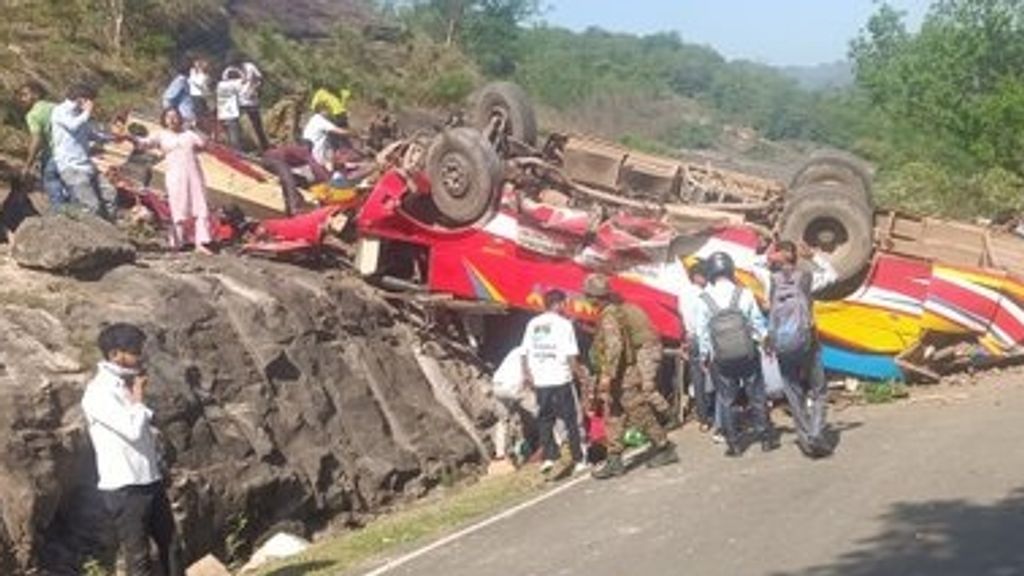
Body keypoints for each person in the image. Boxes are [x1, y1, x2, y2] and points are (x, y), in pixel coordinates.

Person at [81, 323, 183, 576]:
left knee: (172, 545)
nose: (140, 354)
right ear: (115, 354)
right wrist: (138, 396)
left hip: (150, 479)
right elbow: (132, 429)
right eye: (134, 349)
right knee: (138, 557)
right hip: (125, 487)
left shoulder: (125, 384)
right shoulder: (98, 392)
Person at [584, 273, 679, 479]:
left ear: (595, 297)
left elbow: (615, 346)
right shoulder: (612, 312)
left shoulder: (609, 315)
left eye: (587, 295)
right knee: (615, 417)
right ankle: (614, 458)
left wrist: (607, 375)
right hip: (621, 375)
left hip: (623, 376)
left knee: (639, 413)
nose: (586, 299)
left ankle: (664, 447)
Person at [696, 251, 779, 457]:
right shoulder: (744, 293)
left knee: (727, 399)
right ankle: (766, 438)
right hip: (747, 353)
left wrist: (705, 357)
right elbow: (757, 322)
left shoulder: (703, 299)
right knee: (757, 395)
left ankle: (733, 444)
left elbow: (702, 333)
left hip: (722, 359)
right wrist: (765, 341)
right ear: (731, 269)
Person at [765, 240, 835, 458]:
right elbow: (832, 275)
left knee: (793, 391)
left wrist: (769, 255)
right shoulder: (807, 278)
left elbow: (752, 264)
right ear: (797, 257)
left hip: (782, 344)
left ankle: (805, 438)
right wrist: (812, 257)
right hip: (807, 342)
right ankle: (815, 433)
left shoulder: (770, 281)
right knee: (819, 389)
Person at [521, 290, 589, 480]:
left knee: (545, 418)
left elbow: (524, 352)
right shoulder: (564, 324)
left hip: (541, 379)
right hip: (561, 378)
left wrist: (528, 374)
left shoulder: (532, 324)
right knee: (571, 420)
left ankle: (549, 457)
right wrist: (580, 375)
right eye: (564, 303)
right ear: (559, 304)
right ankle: (579, 459)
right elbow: (571, 356)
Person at [135, 108, 213, 253]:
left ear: (180, 118)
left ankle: (201, 243)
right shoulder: (161, 135)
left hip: (194, 174)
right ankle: (176, 242)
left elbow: (205, 144)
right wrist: (130, 137)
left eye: (175, 116)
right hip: (175, 175)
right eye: (168, 117)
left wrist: (197, 128)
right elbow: (145, 143)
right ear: (164, 120)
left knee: (199, 206)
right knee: (178, 207)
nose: (172, 119)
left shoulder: (189, 134)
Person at [50, 83, 118, 219]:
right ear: (82, 100)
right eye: (91, 101)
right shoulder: (60, 110)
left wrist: (114, 138)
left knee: (110, 194)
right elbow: (73, 125)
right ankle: (68, 222)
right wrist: (87, 112)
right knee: (91, 205)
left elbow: (91, 133)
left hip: (86, 165)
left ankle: (110, 230)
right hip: (70, 166)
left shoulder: (80, 115)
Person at [679, 258, 716, 435]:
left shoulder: (683, 293)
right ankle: (718, 413)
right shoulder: (703, 294)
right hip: (706, 338)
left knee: (698, 379)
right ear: (697, 276)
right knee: (716, 375)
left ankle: (703, 419)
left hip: (692, 338)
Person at [16, 82, 66, 210]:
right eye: (20, 96)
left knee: (51, 182)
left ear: (36, 95)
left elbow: (36, 139)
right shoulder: (55, 106)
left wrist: (28, 165)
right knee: (66, 186)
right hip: (70, 153)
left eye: (25, 95)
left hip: (54, 154)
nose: (21, 99)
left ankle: (60, 215)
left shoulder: (33, 114)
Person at [228, 56, 269, 151]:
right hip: (237, 102)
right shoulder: (229, 71)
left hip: (251, 100)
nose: (237, 67)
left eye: (238, 65)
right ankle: (237, 149)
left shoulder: (250, 67)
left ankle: (265, 147)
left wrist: (255, 88)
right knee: (234, 124)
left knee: (257, 125)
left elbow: (260, 79)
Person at [216, 67, 245, 150]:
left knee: (228, 134)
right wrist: (240, 71)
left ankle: (230, 150)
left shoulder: (220, 84)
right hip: (232, 113)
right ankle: (237, 152)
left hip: (222, 114)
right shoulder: (235, 84)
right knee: (234, 135)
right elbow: (244, 80)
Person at [161, 60, 196, 127]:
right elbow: (168, 99)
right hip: (184, 119)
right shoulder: (180, 81)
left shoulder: (188, 82)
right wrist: (173, 116)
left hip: (189, 119)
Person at [188, 57, 213, 125]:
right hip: (193, 95)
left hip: (202, 96)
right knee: (197, 113)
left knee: (202, 113)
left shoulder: (206, 76)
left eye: (199, 63)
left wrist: (193, 81)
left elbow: (201, 84)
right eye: (196, 62)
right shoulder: (192, 71)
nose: (197, 64)